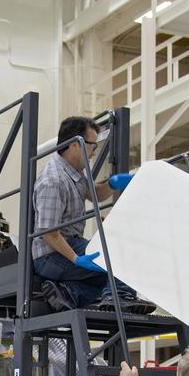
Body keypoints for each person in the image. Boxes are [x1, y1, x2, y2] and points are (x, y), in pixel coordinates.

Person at [32, 116, 148, 311]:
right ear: (75, 145)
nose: (94, 152)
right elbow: (49, 232)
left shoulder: (74, 172)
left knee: (107, 278)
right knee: (118, 259)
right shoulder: (53, 180)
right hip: (50, 254)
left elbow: (94, 194)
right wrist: (77, 259)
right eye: (92, 145)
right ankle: (117, 298)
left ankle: (71, 292)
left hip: (67, 245)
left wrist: (112, 184)